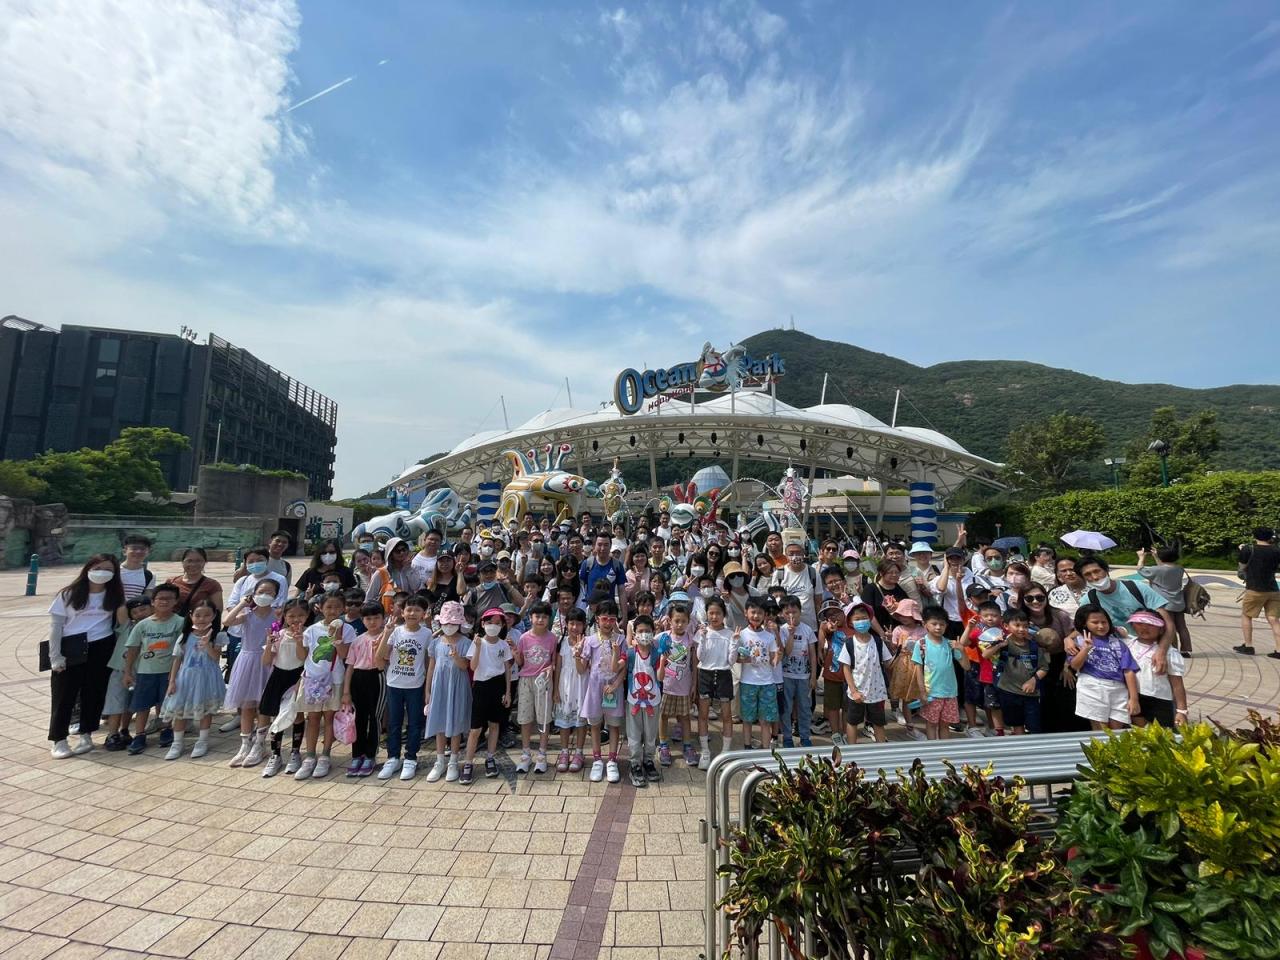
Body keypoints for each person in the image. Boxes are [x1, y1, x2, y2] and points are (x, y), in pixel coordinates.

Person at [47, 555, 128, 759]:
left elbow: (122, 623)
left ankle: (87, 734)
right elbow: (56, 627)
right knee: (64, 695)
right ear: (88, 569)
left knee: (94, 692)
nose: (102, 573)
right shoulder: (69, 594)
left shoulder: (114, 595)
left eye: (108, 570)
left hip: (101, 646)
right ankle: (59, 739)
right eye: (98, 568)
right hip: (72, 647)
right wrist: (55, 656)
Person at [219, 545, 290, 730]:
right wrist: (245, 607)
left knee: (264, 693)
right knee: (245, 691)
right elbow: (230, 607)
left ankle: (263, 728)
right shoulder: (243, 582)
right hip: (244, 641)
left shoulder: (278, 579)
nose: (255, 564)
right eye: (250, 561)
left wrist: (271, 612)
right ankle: (242, 722)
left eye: (259, 560)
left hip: (268, 649)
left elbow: (280, 605)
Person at [221, 577, 281, 766]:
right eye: (261, 592)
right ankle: (245, 744)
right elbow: (227, 621)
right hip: (247, 661)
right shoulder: (247, 614)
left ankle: (259, 744)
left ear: (276, 595)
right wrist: (242, 604)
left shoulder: (277, 615)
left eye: (269, 592)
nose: (265, 595)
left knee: (263, 705)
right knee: (247, 705)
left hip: (267, 661)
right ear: (253, 594)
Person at [294, 590, 355, 780]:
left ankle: (325, 755)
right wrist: (298, 642)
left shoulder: (348, 629)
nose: (333, 610)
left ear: (343, 609)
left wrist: (337, 638)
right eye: (328, 606)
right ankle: (310, 756)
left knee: (329, 718)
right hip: (312, 680)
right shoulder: (312, 630)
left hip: (334, 680)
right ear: (320, 608)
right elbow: (302, 656)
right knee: (312, 718)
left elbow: (345, 656)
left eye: (337, 607)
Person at [1074, 557, 1172, 673]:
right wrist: (1068, 639)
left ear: (1106, 570)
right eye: (1087, 574)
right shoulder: (1088, 600)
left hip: (1150, 648)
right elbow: (1082, 627)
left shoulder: (1137, 588)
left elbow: (1168, 623)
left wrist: (1162, 651)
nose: (1094, 577)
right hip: (1119, 655)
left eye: (1097, 571)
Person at [123, 582, 184, 755]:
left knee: (165, 703)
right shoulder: (142, 625)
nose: (164, 602)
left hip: (169, 672)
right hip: (145, 671)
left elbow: (183, 648)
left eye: (169, 598)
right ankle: (139, 735)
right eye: (160, 598)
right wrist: (128, 672)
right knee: (142, 705)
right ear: (153, 601)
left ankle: (166, 729)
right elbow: (133, 649)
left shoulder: (180, 622)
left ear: (175, 601)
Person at [161, 598, 226, 759]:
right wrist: (172, 681)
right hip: (186, 678)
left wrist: (207, 644)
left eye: (207, 615)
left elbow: (215, 657)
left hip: (207, 678)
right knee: (180, 711)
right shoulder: (184, 636)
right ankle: (177, 743)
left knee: (205, 710)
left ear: (214, 616)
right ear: (191, 616)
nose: (202, 619)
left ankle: (202, 741)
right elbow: (177, 659)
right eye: (198, 615)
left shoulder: (218, 636)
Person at [376, 594, 430, 781]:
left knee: (414, 723)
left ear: (424, 613)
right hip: (394, 684)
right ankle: (392, 758)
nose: (412, 613)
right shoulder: (396, 631)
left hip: (416, 685)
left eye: (417, 610)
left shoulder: (427, 634)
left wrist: (427, 687)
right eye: (409, 609)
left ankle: (410, 758)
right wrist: (386, 633)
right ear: (402, 612)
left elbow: (428, 660)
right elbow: (381, 656)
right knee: (394, 723)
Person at [460, 608, 514, 785]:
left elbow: (507, 669)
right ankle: (468, 763)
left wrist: (508, 692)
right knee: (475, 729)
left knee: (494, 725)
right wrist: (477, 647)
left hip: (498, 686)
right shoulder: (478, 642)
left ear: (502, 625)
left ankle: (490, 758)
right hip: (481, 686)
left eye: (498, 623)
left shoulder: (503, 645)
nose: (493, 626)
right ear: (483, 624)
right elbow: (473, 667)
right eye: (490, 622)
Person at [258, 599, 310, 777]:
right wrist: (269, 643)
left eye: (301, 615)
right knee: (277, 715)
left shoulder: (308, 634)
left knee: (297, 715)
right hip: (278, 677)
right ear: (285, 617)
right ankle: (276, 755)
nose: (296, 619)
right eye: (291, 616)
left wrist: (298, 640)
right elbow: (266, 661)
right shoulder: (278, 634)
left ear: (307, 616)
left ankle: (295, 753)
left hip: (297, 677)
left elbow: (303, 658)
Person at [577, 599, 626, 784]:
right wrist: (577, 656)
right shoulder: (589, 640)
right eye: (604, 618)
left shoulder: (620, 640)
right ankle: (597, 760)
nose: (608, 623)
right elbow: (581, 669)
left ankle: (612, 760)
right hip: (595, 688)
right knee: (595, 725)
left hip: (614, 688)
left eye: (612, 619)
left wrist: (616, 684)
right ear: (597, 619)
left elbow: (623, 668)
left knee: (614, 725)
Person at [424, 600, 473, 783]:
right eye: (446, 623)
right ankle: (439, 761)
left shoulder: (466, 642)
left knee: (456, 722)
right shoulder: (436, 642)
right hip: (440, 686)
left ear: (459, 623)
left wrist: (457, 657)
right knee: (439, 721)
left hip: (458, 686)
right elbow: (431, 667)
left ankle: (453, 761)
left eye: (453, 623)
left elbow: (465, 666)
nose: (449, 626)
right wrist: (428, 691)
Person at [1069, 604, 1140, 731]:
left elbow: (1128, 671)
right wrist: (1085, 649)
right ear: (1084, 624)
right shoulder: (1078, 641)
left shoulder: (1118, 643)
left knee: (1117, 731)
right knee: (1100, 731)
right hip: (1092, 687)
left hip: (1118, 689)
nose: (1101, 626)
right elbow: (1075, 665)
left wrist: (1134, 698)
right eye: (1095, 622)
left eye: (1104, 622)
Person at [341, 602, 387, 778]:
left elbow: (385, 660)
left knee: (374, 717)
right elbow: (350, 667)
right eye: (368, 618)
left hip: (377, 677)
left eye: (376, 618)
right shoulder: (357, 640)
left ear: (383, 619)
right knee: (358, 719)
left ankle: (370, 755)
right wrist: (346, 691)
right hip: (358, 679)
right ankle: (357, 755)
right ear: (362, 620)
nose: (372, 622)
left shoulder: (386, 637)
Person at [985, 609, 1049, 735]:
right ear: (1006, 626)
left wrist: (1033, 680)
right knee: (1016, 724)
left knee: (1034, 726)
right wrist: (998, 644)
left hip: (1031, 694)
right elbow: (985, 655)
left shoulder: (1034, 646)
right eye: (1017, 625)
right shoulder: (1003, 643)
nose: (1021, 629)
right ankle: (1021, 744)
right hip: (1008, 692)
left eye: (1025, 626)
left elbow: (1044, 668)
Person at [837, 606, 895, 744]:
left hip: (876, 691)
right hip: (857, 692)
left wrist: (895, 648)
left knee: (878, 723)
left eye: (864, 618)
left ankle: (882, 748)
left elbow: (889, 663)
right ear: (850, 622)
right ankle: (852, 751)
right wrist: (854, 691)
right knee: (852, 722)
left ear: (870, 620)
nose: (861, 622)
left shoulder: (878, 641)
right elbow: (846, 668)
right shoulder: (849, 643)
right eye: (857, 619)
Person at [513, 602, 557, 775]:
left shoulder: (552, 638)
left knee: (543, 718)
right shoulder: (524, 638)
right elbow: (520, 662)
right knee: (525, 718)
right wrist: (516, 654)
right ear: (530, 618)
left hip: (543, 681)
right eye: (537, 616)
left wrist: (550, 668)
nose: (540, 620)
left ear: (549, 619)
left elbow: (554, 662)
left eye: (544, 617)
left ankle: (542, 753)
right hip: (526, 680)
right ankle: (525, 753)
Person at [103, 596, 151, 751]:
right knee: (116, 701)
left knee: (130, 704)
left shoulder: (156, 626)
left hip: (142, 671)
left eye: (143, 609)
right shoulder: (127, 626)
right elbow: (122, 609)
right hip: (121, 669)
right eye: (135, 612)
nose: (140, 614)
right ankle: (112, 734)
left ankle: (124, 730)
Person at [912, 606, 967, 740]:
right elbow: (918, 669)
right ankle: (932, 748)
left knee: (945, 725)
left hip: (950, 693)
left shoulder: (950, 644)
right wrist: (922, 692)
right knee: (931, 724)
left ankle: (944, 750)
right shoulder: (921, 644)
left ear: (946, 625)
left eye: (942, 624)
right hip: (932, 693)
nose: (938, 627)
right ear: (925, 624)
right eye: (934, 624)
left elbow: (966, 666)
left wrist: (962, 650)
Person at [1126, 611, 1188, 727]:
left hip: (1160, 700)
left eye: (1150, 624)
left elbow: (1177, 684)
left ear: (1161, 629)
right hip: (1134, 697)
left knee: (1162, 733)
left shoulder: (1169, 653)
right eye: (1139, 623)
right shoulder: (1128, 645)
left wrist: (1182, 711)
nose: (1144, 628)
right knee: (1137, 730)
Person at [736, 598, 781, 751]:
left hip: (767, 683)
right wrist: (743, 659)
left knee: (765, 720)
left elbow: (774, 657)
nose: (756, 616)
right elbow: (735, 658)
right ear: (746, 613)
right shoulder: (742, 634)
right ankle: (747, 747)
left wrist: (775, 658)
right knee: (747, 719)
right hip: (748, 682)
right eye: (753, 612)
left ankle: (765, 750)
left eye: (760, 613)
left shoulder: (769, 636)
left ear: (765, 615)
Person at [655, 604, 697, 767]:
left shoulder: (690, 639)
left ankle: (687, 745)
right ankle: (663, 745)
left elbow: (694, 664)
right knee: (663, 715)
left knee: (685, 717)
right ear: (670, 621)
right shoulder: (663, 637)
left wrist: (694, 684)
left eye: (683, 621)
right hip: (665, 686)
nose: (680, 624)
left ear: (688, 622)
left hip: (684, 686)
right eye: (676, 621)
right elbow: (648, 645)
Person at [624, 616, 663, 788]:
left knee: (651, 733)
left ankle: (648, 760)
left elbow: (660, 677)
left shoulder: (657, 653)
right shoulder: (631, 653)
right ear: (634, 634)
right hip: (634, 701)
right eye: (640, 631)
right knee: (634, 733)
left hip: (652, 701)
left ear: (653, 633)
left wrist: (663, 661)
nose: (644, 634)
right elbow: (617, 668)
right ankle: (635, 763)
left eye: (647, 631)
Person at [695, 597, 734, 766]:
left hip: (724, 674)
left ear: (724, 614)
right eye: (711, 613)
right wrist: (703, 638)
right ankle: (705, 751)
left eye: (718, 613)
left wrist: (735, 642)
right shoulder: (702, 632)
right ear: (706, 614)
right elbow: (700, 657)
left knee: (726, 715)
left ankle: (725, 752)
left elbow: (732, 660)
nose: (714, 616)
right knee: (703, 715)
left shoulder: (730, 634)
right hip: (705, 674)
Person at [1137, 544, 1193, 655]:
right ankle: (1186, 649)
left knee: (1169, 627)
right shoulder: (1179, 569)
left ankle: (1173, 649)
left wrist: (1141, 557)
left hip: (1164, 603)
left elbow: (1140, 570)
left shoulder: (1157, 570)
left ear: (1162, 557)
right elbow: (1164, 568)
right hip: (1178, 602)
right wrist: (1156, 557)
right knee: (1182, 627)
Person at [553, 607, 589, 774]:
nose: (575, 627)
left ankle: (579, 752)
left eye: (578, 624)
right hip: (565, 685)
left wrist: (579, 653)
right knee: (564, 721)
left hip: (581, 684)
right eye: (571, 623)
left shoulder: (587, 643)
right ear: (566, 624)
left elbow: (584, 669)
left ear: (584, 625)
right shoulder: (562, 642)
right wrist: (555, 689)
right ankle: (564, 751)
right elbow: (558, 667)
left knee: (581, 720)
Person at [1234, 526, 1280, 658]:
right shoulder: (1277, 550)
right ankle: (1279, 650)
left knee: (1246, 615)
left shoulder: (1249, 549)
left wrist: (1243, 551)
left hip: (1255, 589)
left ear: (1255, 536)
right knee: (1274, 619)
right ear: (1270, 537)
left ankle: (1248, 646)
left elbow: (1242, 569)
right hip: (1273, 589)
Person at [778, 595, 817, 748]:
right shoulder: (782, 630)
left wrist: (813, 676)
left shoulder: (807, 630)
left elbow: (812, 655)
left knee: (804, 707)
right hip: (786, 675)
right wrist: (791, 634)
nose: (791, 615)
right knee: (786, 707)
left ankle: (805, 736)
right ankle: (787, 737)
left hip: (804, 676)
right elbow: (786, 652)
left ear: (800, 612)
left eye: (794, 612)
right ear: (782, 614)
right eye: (787, 612)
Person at [886, 598, 927, 739]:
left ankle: (928, 724)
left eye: (906, 614)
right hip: (902, 665)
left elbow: (927, 648)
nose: (903, 617)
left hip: (919, 665)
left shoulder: (923, 631)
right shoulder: (898, 630)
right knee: (906, 697)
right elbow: (894, 648)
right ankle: (910, 726)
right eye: (901, 614)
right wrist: (889, 639)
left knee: (921, 695)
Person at [580, 533, 629, 622]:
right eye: (599, 545)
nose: (602, 548)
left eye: (606, 545)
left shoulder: (617, 565)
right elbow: (581, 590)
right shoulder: (587, 564)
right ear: (595, 546)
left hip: (609, 613)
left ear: (610, 546)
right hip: (591, 612)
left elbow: (622, 592)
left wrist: (624, 617)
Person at [771, 539, 819, 629]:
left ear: (803, 553)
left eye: (798, 552)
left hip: (810, 627)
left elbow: (818, 601)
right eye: (791, 553)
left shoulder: (813, 573)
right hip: (786, 627)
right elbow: (774, 600)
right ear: (786, 555)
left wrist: (820, 622)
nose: (795, 556)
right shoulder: (779, 573)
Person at [166, 548, 223, 616]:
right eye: (189, 561)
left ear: (205, 562)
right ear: (183, 562)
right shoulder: (171, 582)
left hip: (199, 622)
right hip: (172, 621)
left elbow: (217, 612)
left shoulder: (213, 585)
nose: (193, 564)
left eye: (198, 561)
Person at [119, 534, 155, 600]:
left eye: (143, 549)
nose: (138, 551)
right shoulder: (114, 571)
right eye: (134, 548)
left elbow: (147, 598)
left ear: (148, 552)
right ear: (124, 551)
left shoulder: (149, 576)